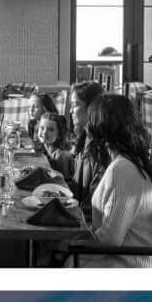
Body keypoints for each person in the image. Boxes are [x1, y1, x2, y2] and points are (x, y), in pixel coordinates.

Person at [78, 94, 152, 267]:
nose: (87, 125)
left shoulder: (122, 169)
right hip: (133, 258)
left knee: (60, 256)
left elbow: (110, 240)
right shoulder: (130, 161)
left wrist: (75, 241)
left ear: (102, 127)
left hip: (130, 264)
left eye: (91, 120)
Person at [67, 80, 105, 212]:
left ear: (92, 108)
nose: (71, 110)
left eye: (75, 105)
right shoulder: (85, 139)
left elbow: (94, 204)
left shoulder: (102, 149)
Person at [35, 112, 74, 179]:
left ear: (59, 134)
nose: (44, 132)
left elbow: (63, 182)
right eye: (42, 128)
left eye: (50, 129)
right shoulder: (44, 150)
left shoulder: (61, 156)